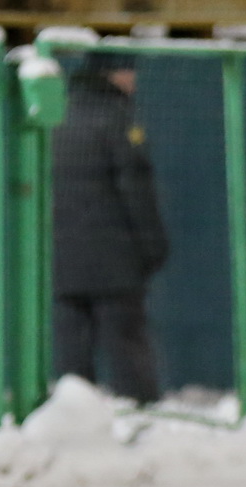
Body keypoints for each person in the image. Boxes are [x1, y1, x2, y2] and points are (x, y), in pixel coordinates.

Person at [52, 50, 168, 405]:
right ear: (111, 75)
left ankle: (72, 415)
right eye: (127, 70)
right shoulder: (119, 122)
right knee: (126, 342)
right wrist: (152, 246)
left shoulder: (58, 117)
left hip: (61, 257)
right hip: (115, 259)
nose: (133, 79)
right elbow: (137, 193)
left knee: (71, 345)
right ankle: (142, 411)